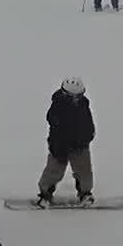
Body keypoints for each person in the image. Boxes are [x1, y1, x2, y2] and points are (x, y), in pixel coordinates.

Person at [35, 77, 96, 207]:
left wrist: (89, 135)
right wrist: (58, 146)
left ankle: (85, 193)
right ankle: (45, 194)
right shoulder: (57, 105)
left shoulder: (83, 104)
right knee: (53, 171)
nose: (76, 99)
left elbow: (88, 123)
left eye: (78, 96)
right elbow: (53, 122)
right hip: (59, 146)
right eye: (72, 96)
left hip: (80, 145)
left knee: (84, 171)